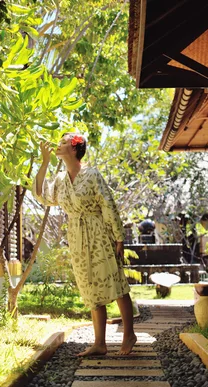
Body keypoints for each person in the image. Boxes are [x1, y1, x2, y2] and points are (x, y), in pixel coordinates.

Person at [33, 132, 137, 356]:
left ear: (74, 149)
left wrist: (119, 237)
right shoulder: (60, 180)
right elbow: (42, 195)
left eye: (63, 143)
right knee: (89, 286)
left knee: (114, 282)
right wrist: (44, 162)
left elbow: (108, 205)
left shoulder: (92, 175)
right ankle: (100, 343)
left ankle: (129, 334)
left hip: (99, 232)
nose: (58, 145)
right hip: (76, 236)